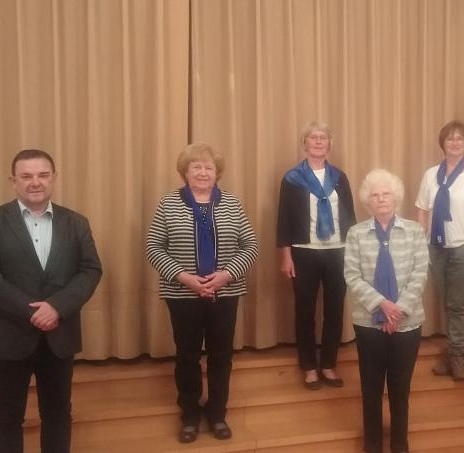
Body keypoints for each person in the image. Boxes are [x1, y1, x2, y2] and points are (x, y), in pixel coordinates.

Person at [0, 149, 103, 453]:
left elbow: (90, 270)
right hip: (9, 337)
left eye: (42, 175)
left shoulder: (77, 222)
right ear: (14, 181)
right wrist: (32, 311)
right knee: (7, 418)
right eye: (26, 176)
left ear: (54, 178)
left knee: (58, 414)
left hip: (59, 337)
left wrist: (57, 307)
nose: (35, 182)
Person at [146, 143, 259, 443]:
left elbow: (250, 245)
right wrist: (185, 278)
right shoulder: (168, 204)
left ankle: (217, 413)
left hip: (225, 293)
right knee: (187, 355)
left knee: (221, 356)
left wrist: (227, 275)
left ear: (217, 173)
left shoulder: (232, 204)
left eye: (208, 167)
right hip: (183, 295)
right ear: (185, 172)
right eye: (196, 167)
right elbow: (153, 247)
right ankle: (190, 415)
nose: (202, 172)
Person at [344, 169, 429, 453]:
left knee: (400, 389)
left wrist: (398, 310)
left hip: (408, 324)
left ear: (396, 198)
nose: (381, 199)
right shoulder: (356, 234)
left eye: (386, 194)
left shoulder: (415, 231)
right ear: (367, 202)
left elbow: (420, 274)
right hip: (368, 325)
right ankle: (372, 445)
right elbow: (352, 276)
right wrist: (382, 305)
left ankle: (400, 444)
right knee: (371, 389)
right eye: (375, 195)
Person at [277, 121, 356, 390]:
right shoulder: (291, 179)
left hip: (338, 252)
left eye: (323, 137)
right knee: (305, 312)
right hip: (304, 252)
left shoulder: (340, 178)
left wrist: (354, 252)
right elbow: (284, 220)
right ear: (305, 144)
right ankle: (309, 367)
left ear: (329, 144)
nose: (318, 142)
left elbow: (350, 218)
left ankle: (329, 365)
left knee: (335, 311)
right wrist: (286, 256)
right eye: (313, 138)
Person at [415, 120, 464, 380]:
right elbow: (422, 211)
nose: (455, 142)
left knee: (458, 303)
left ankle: (459, 356)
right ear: (443, 143)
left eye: (460, 138)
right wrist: (420, 244)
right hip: (436, 247)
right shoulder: (430, 175)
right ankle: (451, 354)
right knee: (448, 301)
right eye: (450, 138)